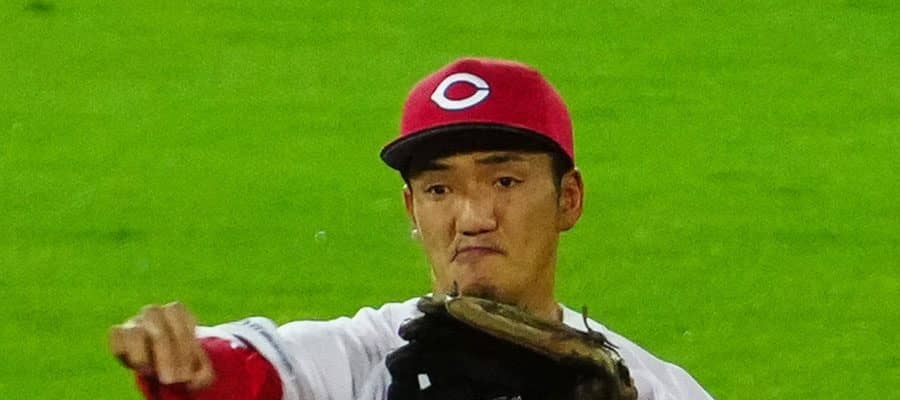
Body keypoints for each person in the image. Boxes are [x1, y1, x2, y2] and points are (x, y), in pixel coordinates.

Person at [108, 57, 714, 400]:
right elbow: (249, 372)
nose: (472, 218)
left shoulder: (656, 389)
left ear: (569, 199)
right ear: (411, 210)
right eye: (439, 190)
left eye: (504, 181)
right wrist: (181, 359)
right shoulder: (365, 358)